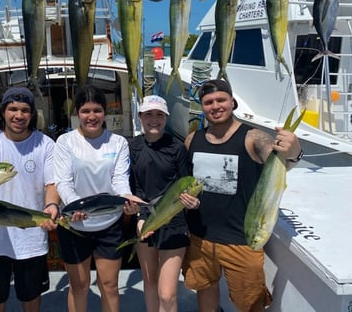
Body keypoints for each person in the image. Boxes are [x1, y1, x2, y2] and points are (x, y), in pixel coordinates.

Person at [181, 79, 303, 312]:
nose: (215, 106)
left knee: (250, 303)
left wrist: (294, 151)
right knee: (205, 289)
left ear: (232, 102)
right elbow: (186, 181)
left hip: (242, 240)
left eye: (221, 100)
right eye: (208, 102)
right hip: (200, 237)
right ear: (202, 107)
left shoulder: (253, 137)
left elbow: (280, 163)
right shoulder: (192, 139)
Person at [53, 85, 142, 312]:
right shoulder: (65, 142)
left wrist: (126, 199)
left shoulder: (119, 143)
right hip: (74, 224)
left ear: (105, 112)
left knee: (110, 285)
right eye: (85, 111)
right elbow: (63, 182)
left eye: (97, 110)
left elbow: (119, 180)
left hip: (108, 224)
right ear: (77, 113)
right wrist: (73, 208)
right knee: (79, 285)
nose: (91, 117)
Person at [0, 86, 59, 312]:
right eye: (12, 109)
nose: (18, 115)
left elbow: (51, 184)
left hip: (31, 236)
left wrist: (51, 206)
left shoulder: (46, 144)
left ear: (32, 115)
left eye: (24, 110)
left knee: (31, 298)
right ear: (3, 112)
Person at [129, 95, 194, 312]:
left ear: (166, 118)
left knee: (167, 294)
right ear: (140, 117)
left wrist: (191, 202)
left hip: (174, 223)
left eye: (159, 115)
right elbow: (131, 188)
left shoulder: (177, 148)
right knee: (149, 282)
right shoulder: (133, 146)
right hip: (145, 221)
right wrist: (139, 217)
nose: (154, 119)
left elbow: (186, 184)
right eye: (149, 114)